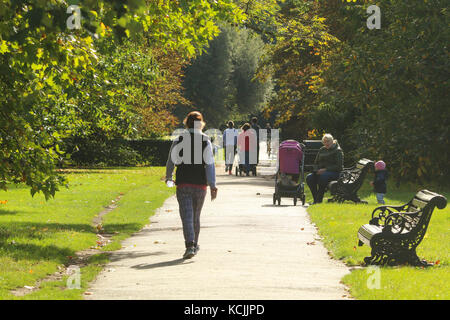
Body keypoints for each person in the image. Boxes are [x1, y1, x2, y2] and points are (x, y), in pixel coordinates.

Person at [165, 111, 218, 259]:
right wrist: (212, 184)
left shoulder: (179, 139)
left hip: (183, 183)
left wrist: (169, 176)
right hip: (200, 184)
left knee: (187, 216)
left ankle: (190, 245)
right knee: (196, 216)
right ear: (201, 124)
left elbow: (171, 161)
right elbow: (210, 164)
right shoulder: (205, 140)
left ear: (186, 123)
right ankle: (194, 244)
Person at [306, 133, 344, 204]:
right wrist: (316, 170)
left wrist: (325, 169)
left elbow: (339, 166)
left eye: (328, 141)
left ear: (332, 141)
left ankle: (319, 200)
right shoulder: (322, 149)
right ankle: (315, 199)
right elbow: (316, 163)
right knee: (309, 178)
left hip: (335, 173)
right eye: (325, 142)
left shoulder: (338, 151)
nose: (326, 143)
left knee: (323, 177)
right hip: (322, 172)